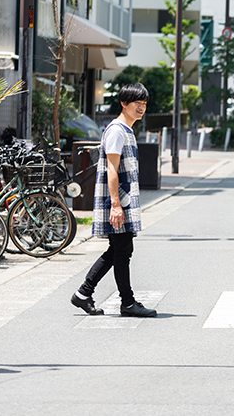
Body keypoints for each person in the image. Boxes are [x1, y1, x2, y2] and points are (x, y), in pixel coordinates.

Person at [71, 83, 157, 317]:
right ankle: (127, 303)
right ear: (123, 104)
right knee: (122, 250)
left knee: (119, 249)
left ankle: (83, 294)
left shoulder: (126, 130)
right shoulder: (117, 130)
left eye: (144, 104)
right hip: (117, 202)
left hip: (123, 201)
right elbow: (112, 168)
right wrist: (116, 205)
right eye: (137, 104)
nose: (141, 108)